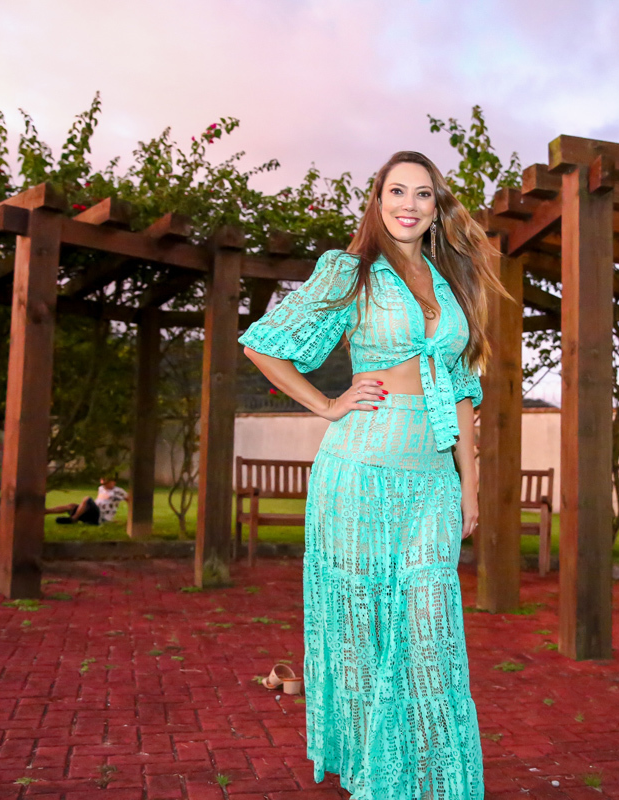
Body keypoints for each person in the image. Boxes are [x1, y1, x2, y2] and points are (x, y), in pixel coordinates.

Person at [239, 151, 506, 799]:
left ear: (437, 207)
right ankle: (374, 773)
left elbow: (462, 389)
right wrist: (326, 404)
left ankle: (431, 777)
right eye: (397, 192)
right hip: (359, 471)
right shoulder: (349, 271)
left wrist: (469, 486)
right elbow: (262, 345)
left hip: (432, 479)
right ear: (378, 201)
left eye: (423, 194)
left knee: (429, 626)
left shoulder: (450, 281)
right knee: (362, 630)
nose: (409, 204)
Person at [47, 477, 130, 525]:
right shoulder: (101, 489)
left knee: (87, 499)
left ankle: (74, 519)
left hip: (100, 517)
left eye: (108, 482)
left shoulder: (118, 491)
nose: (105, 484)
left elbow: (130, 501)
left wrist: (130, 520)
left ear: (113, 482)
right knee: (71, 506)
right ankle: (45, 511)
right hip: (93, 514)